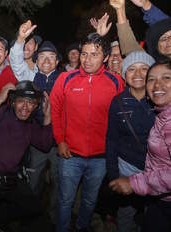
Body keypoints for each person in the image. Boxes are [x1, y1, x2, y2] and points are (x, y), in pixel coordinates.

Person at [50, 32, 124, 232]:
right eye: (84, 54)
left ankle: (82, 226)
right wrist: (60, 141)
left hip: (101, 158)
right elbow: (55, 111)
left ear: (106, 58)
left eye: (94, 54)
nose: (87, 59)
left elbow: (120, 118)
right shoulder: (65, 79)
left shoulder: (116, 82)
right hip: (70, 154)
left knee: (90, 200)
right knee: (65, 199)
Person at [109, 59, 171, 232]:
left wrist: (136, 183)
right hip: (160, 192)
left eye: (166, 78)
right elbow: (112, 139)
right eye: (152, 79)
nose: (157, 84)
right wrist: (114, 172)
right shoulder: (167, 111)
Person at [0, 81, 53, 232]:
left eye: (31, 103)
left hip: (8, 179)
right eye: (21, 101)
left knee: (34, 208)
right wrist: (0, 99)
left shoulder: (30, 124)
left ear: (35, 107)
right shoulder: (1, 113)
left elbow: (45, 145)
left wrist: (47, 116)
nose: (25, 107)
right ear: (13, 102)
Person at [106, 51, 155, 232]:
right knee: (126, 213)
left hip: (156, 169)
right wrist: (113, 173)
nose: (138, 74)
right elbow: (111, 139)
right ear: (125, 75)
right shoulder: (117, 102)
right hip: (127, 166)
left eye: (144, 69)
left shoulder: (161, 100)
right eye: (132, 69)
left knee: (153, 214)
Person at [29, 41, 61, 224]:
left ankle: (54, 218)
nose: (46, 60)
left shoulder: (65, 80)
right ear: (36, 61)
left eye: (51, 56)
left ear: (57, 61)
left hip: (59, 143)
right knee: (33, 181)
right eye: (42, 56)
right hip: (36, 143)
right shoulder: (30, 81)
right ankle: (30, 215)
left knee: (58, 181)